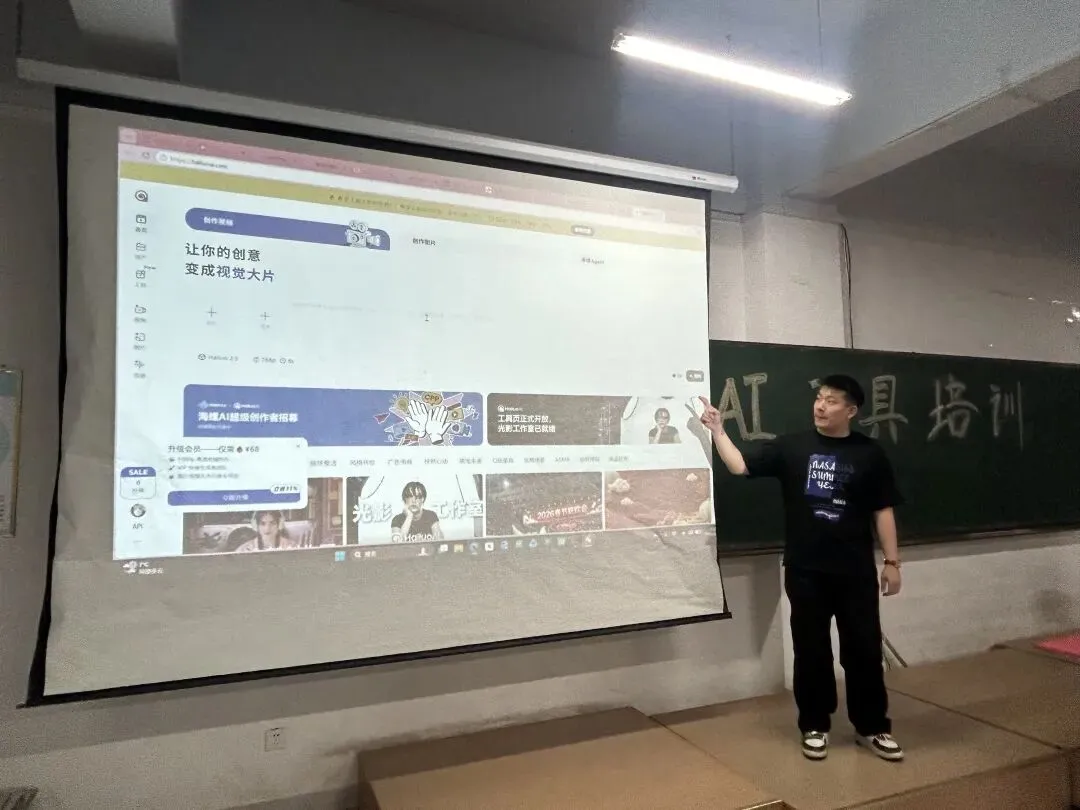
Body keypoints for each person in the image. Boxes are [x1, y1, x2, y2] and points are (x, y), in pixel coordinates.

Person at [699, 375, 904, 762]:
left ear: (851, 410)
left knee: (863, 650)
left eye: (832, 401)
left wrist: (892, 562)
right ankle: (814, 724)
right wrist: (718, 430)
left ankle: (872, 726)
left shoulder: (869, 453)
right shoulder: (792, 446)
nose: (821, 406)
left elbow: (883, 509)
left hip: (856, 570)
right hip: (806, 569)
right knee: (811, 651)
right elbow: (740, 466)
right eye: (819, 398)